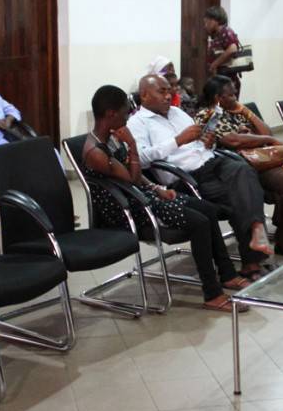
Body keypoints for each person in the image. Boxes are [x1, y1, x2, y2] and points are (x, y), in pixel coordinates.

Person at [83, 85, 249, 312]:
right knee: (199, 223)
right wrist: (131, 145)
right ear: (110, 114)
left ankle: (227, 274)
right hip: (129, 209)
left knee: (208, 210)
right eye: (124, 113)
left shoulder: (112, 137)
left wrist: (156, 187)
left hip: (143, 196)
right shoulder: (95, 152)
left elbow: (137, 177)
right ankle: (212, 293)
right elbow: (131, 178)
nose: (127, 117)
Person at [128, 74, 273, 281]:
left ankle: (256, 232)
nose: (169, 96)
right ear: (144, 95)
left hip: (211, 161)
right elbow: (140, 159)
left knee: (245, 170)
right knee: (240, 196)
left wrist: (208, 141)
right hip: (187, 177)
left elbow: (198, 142)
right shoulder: (138, 123)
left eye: (170, 90)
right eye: (162, 91)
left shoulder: (178, 113)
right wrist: (177, 141)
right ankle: (251, 260)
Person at [196, 75, 283, 256]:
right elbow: (232, 140)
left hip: (261, 160)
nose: (236, 97)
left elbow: (265, 130)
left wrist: (246, 112)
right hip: (239, 167)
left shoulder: (236, 111)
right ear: (219, 98)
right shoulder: (207, 114)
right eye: (232, 95)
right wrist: (264, 139)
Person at [203, 6, 247, 94]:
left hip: (228, 82)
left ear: (215, 20)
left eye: (207, 22)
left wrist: (215, 64)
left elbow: (232, 48)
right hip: (221, 81)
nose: (205, 26)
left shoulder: (226, 32)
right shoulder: (216, 35)